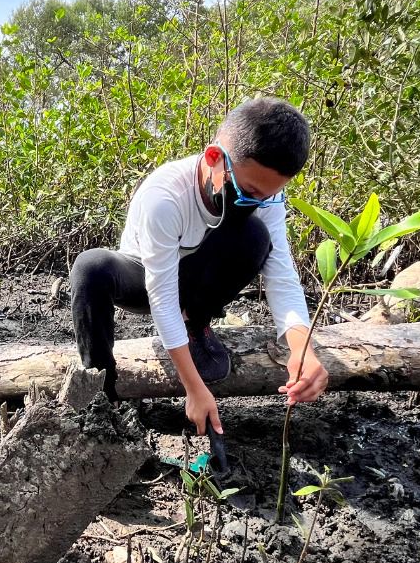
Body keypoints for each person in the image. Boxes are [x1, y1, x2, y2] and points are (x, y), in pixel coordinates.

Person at [69, 97, 329, 436]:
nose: (257, 202)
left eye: (267, 196)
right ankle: (101, 394)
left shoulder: (266, 196)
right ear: (214, 158)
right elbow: (161, 295)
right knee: (90, 268)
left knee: (256, 234)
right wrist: (193, 387)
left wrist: (302, 350)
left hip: (198, 284)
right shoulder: (165, 196)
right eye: (249, 191)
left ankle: (196, 325)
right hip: (143, 276)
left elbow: (281, 274)